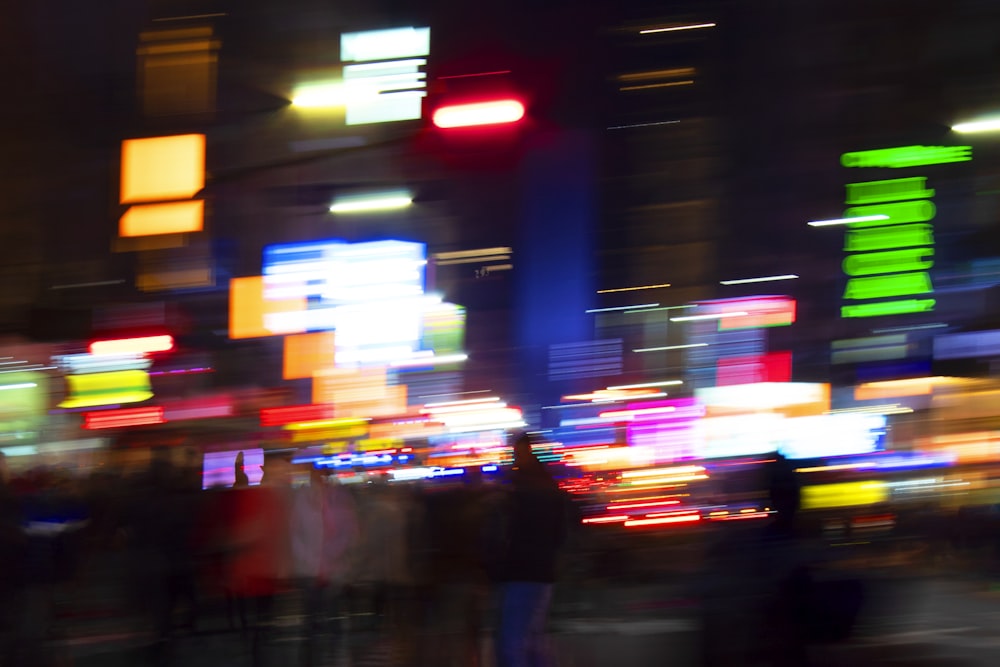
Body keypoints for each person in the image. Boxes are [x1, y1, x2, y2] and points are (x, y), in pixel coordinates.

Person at [492, 433, 570, 667]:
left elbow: (504, 532)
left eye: (516, 453)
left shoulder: (518, 489)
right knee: (535, 638)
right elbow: (561, 534)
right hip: (544, 573)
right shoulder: (550, 487)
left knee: (512, 641)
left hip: (520, 571)